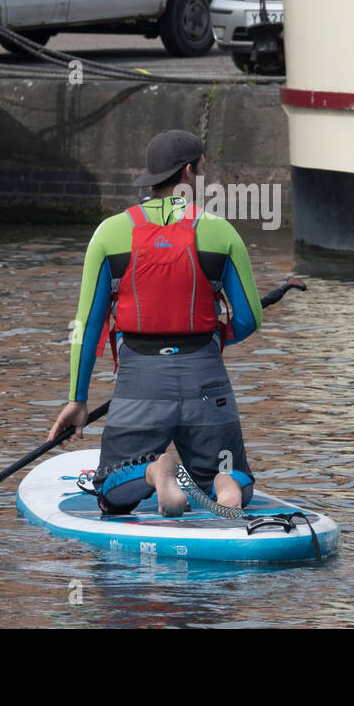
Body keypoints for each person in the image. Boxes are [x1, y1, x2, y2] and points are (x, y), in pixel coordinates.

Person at [48, 129, 263, 516]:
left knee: (111, 494)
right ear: (187, 172)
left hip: (139, 382)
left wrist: (77, 399)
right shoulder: (222, 232)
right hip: (206, 380)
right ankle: (223, 482)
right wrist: (213, 343)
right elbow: (249, 318)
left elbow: (87, 327)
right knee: (231, 470)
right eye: (201, 169)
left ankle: (154, 472)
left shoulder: (109, 234)